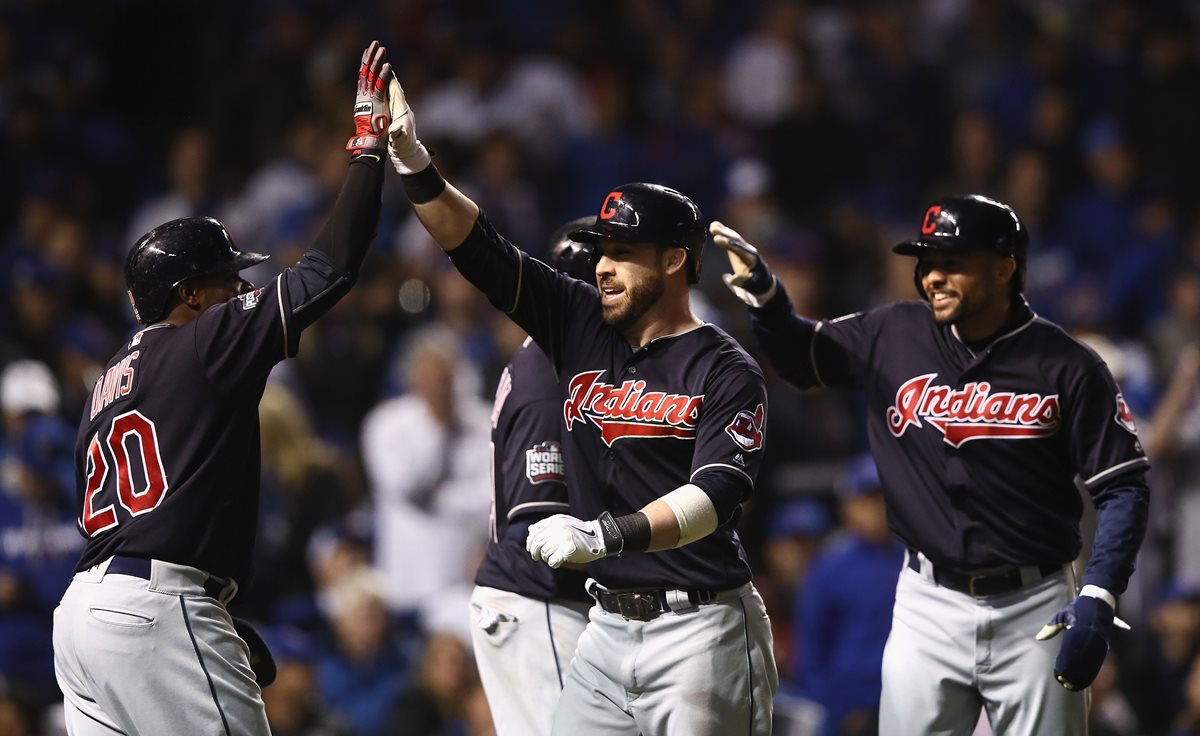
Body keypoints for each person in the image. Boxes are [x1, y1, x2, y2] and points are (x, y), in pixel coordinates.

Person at [385, 74, 778, 735]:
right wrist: (415, 164)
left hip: (701, 626)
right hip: (605, 627)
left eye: (623, 254)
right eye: (600, 252)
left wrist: (605, 535)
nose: (603, 267)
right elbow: (477, 248)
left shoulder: (725, 367)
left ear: (677, 260)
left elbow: (715, 497)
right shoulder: (578, 325)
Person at [52, 40, 394, 736]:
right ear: (189, 295)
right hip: (160, 609)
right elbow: (329, 270)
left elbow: (136, 516)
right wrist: (366, 152)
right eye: (225, 278)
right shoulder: (202, 342)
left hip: (84, 617)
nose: (239, 287)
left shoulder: (105, 383)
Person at [714, 194, 1151, 735]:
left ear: (1003, 268)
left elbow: (1124, 486)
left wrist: (1100, 591)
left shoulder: (1068, 366)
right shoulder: (894, 332)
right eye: (926, 262)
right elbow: (803, 359)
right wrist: (768, 299)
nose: (933, 276)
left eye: (952, 263)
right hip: (928, 601)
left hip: (1035, 605)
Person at [469, 218, 597, 736]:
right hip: (538, 602)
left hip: (539, 607)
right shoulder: (549, 378)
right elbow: (542, 532)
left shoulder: (556, 362)